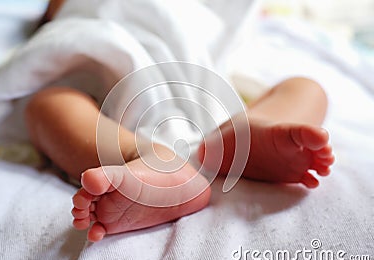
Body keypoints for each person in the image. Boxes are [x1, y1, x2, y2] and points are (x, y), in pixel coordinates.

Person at [24, 0, 334, 242]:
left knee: (307, 87)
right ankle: (145, 159)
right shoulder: (78, 22)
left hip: (205, 84)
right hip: (113, 95)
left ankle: (248, 132)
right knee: (49, 102)